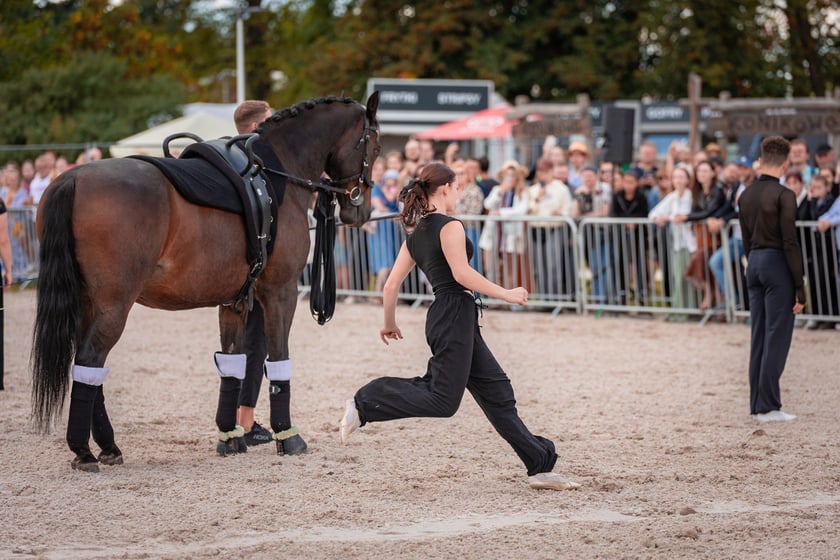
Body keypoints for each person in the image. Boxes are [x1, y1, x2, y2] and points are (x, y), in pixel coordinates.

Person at [338, 162, 580, 492]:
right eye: (457, 187)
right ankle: (364, 402)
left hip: (451, 316)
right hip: (453, 313)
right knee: (442, 400)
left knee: (497, 392)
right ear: (445, 189)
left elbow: (390, 287)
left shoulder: (416, 234)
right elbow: (462, 274)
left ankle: (538, 464)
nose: (460, 192)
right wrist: (506, 293)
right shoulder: (449, 226)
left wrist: (389, 323)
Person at [738, 136, 805, 422]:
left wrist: (752, 263)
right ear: (786, 163)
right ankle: (768, 407)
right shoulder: (785, 195)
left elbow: (744, 239)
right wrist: (800, 287)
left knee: (759, 336)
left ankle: (758, 404)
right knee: (777, 335)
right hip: (777, 263)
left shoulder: (745, 195)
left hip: (754, 262)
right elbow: (790, 242)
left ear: (761, 160)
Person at [231, 99, 276, 446]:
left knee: (246, 344)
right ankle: (244, 422)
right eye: (269, 122)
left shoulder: (232, 158)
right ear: (254, 127)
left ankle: (240, 418)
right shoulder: (257, 163)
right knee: (254, 343)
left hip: (239, 268)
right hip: (254, 269)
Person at [797, 175, 838, 329]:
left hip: (827, 249)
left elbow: (816, 216)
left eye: (818, 187)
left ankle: (828, 316)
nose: (814, 191)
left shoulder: (830, 202)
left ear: (827, 188)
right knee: (814, 282)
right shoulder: (811, 201)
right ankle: (817, 315)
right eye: (812, 187)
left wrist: (812, 200)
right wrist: (809, 200)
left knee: (825, 282)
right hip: (813, 249)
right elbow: (803, 216)